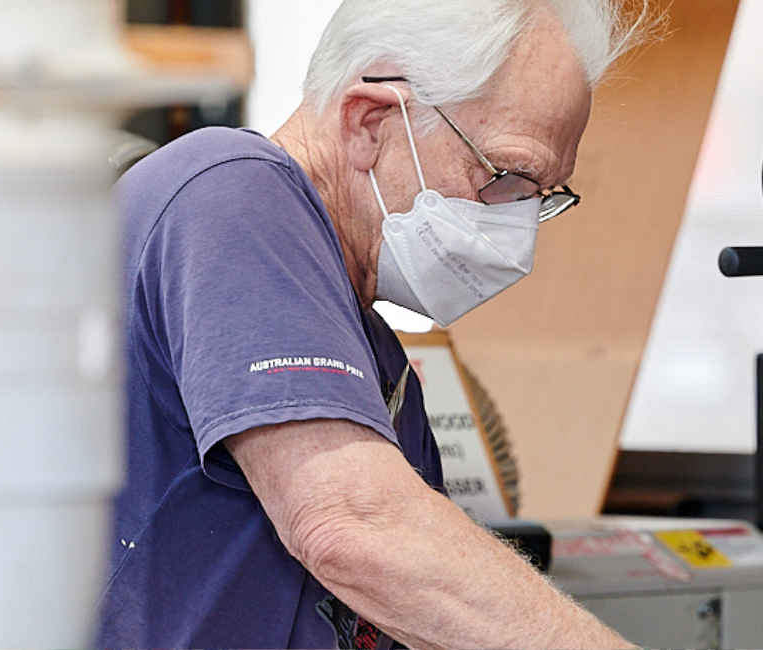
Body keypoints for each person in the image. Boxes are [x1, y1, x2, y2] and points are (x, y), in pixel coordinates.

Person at [95, 1, 647, 648]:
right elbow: (355, 528)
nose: (518, 233)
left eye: (541, 198)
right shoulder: (231, 199)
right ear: (370, 122)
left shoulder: (378, 366)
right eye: (504, 180)